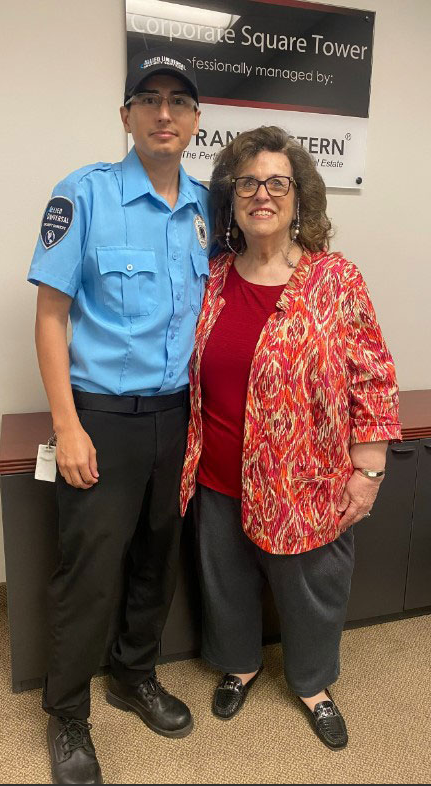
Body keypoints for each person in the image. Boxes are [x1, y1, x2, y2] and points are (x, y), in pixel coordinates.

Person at [180, 125, 401, 750]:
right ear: (232, 197)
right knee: (225, 582)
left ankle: (312, 683)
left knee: (311, 589)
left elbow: (372, 371)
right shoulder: (214, 277)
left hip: (304, 478)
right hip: (218, 472)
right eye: (247, 182)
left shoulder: (336, 279)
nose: (262, 194)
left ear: (298, 196)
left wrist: (370, 465)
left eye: (277, 182)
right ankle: (241, 665)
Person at [28, 47, 211, 784]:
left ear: (196, 119)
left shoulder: (207, 204)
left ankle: (133, 677)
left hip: (178, 417)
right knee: (90, 573)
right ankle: (68, 715)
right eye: (150, 99)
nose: (164, 113)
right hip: (102, 415)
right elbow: (50, 316)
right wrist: (69, 425)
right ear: (127, 115)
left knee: (155, 560)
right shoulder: (86, 194)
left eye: (178, 101)